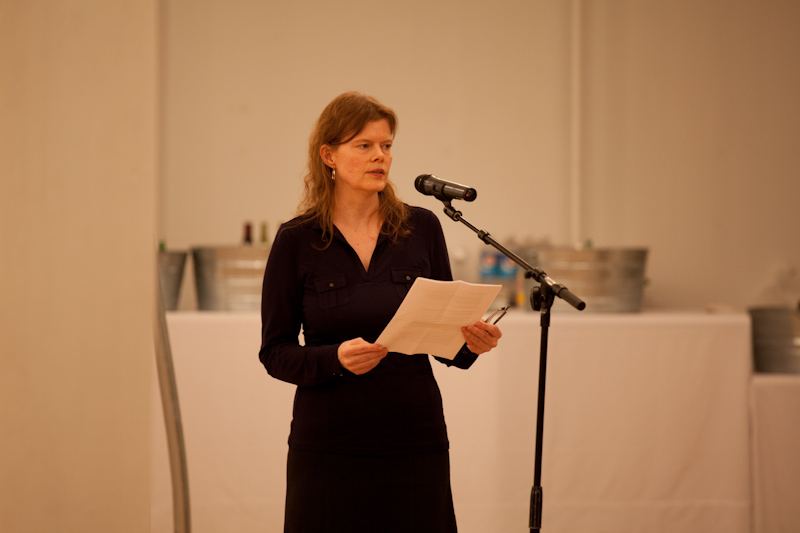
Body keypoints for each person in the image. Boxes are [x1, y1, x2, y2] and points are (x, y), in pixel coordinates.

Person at [259, 91, 502, 533]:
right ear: (328, 155)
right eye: (364, 145)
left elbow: (446, 342)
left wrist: (470, 344)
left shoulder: (422, 227)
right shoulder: (296, 240)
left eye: (387, 146)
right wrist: (333, 360)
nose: (380, 157)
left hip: (413, 438)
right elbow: (274, 353)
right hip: (329, 444)